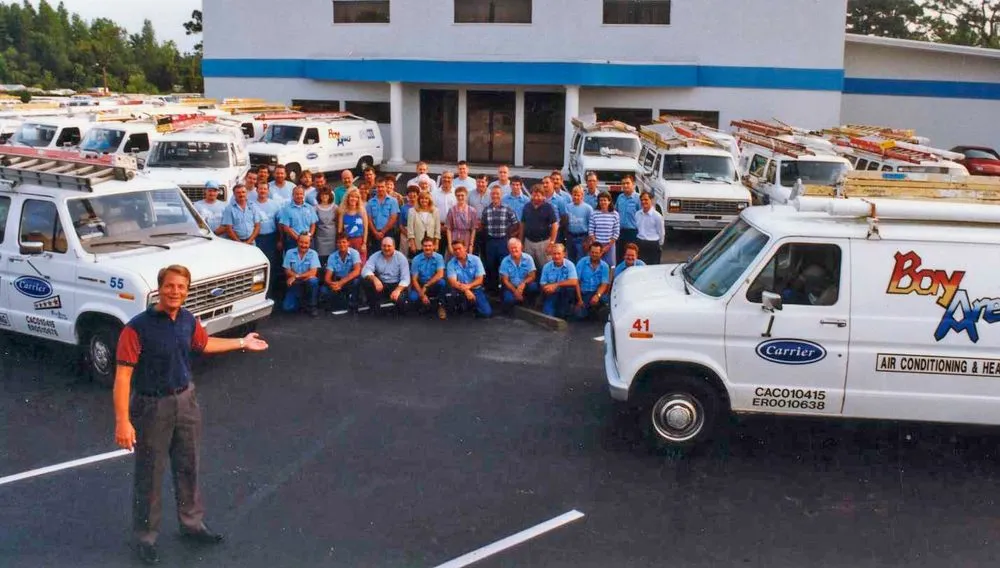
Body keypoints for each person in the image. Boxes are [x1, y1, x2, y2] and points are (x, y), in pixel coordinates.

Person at [114, 265, 268, 566]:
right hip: (151, 407)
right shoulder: (136, 328)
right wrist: (123, 421)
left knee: (189, 465)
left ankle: (192, 525)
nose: (176, 292)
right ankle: (145, 538)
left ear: (187, 290)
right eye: (170, 286)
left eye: (181, 287)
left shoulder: (187, 320)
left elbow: (204, 343)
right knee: (150, 474)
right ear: (159, 289)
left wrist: (242, 343)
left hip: (186, 401)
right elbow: (122, 377)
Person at [479, 186, 519, 294]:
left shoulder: (507, 208)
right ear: (490, 195)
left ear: (501, 195)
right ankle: (492, 288)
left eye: (497, 194)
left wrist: (510, 236)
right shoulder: (486, 210)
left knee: (504, 264)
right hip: (491, 241)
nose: (495, 196)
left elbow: (516, 224)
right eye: (493, 194)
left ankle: (506, 288)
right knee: (490, 264)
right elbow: (483, 225)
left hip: (503, 241)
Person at [250, 181, 284, 298]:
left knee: (272, 264)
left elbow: (279, 223)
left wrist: (280, 239)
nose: (263, 191)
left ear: (268, 190)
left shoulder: (275, 205)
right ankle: (257, 293)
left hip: (271, 237)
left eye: (265, 189)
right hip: (257, 238)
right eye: (260, 189)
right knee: (257, 266)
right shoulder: (251, 204)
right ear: (256, 190)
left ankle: (270, 293)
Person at [361, 236, 410, 315]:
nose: (386, 248)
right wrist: (374, 279)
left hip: (396, 285)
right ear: (381, 246)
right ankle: (374, 307)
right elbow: (365, 270)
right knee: (365, 280)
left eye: (389, 246)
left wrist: (397, 290)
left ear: (394, 246)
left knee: (401, 302)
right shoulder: (375, 256)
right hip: (382, 284)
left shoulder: (401, 258)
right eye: (384, 246)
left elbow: (406, 279)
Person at [446, 240, 492, 318]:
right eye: (455, 250)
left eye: (459, 248)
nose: (457, 251)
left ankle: (472, 306)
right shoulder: (451, 263)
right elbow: (452, 282)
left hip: (475, 289)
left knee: (487, 313)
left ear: (465, 248)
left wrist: (469, 287)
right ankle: (466, 304)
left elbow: (480, 279)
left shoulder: (476, 259)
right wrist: (466, 290)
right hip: (459, 290)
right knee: (453, 309)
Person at [520, 184, 559, 270]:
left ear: (543, 196)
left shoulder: (548, 207)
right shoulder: (527, 207)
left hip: (543, 243)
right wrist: (521, 241)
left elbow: (555, 225)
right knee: (528, 269)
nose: (536, 197)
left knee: (546, 268)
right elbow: (522, 224)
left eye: (538, 195)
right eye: (534, 195)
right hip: (528, 242)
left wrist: (551, 243)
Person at [282, 232, 322, 317]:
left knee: (313, 280)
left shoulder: (313, 253)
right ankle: (302, 302)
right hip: (295, 284)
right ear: (297, 241)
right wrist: (295, 277)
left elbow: (313, 272)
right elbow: (287, 270)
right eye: (301, 242)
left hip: (307, 281)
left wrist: (296, 276)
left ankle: (312, 306)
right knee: (287, 308)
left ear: (310, 243)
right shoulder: (289, 252)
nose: (303, 245)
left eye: (306, 243)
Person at [409, 236, 448, 320]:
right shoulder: (416, 259)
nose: (427, 248)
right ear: (422, 247)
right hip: (420, 284)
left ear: (433, 246)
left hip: (432, 283)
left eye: (430, 245)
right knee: (413, 298)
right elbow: (414, 279)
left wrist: (426, 286)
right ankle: (426, 304)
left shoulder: (439, 257)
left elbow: (440, 274)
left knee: (442, 282)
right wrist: (422, 295)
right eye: (425, 246)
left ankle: (441, 306)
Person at [539, 244, 581, 319]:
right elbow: (542, 283)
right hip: (551, 294)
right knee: (548, 315)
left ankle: (568, 309)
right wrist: (547, 289)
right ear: (551, 254)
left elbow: (574, 281)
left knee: (562, 315)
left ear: (564, 254)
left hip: (565, 293)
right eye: (554, 254)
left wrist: (556, 285)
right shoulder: (546, 266)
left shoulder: (570, 265)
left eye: (559, 253)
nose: (556, 256)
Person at [323, 233, 362, 312]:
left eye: (344, 242)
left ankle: (354, 303)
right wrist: (333, 284)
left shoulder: (354, 253)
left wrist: (341, 282)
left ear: (348, 243)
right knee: (323, 290)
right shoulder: (332, 256)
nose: (341, 244)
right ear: (336, 244)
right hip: (337, 281)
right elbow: (327, 278)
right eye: (339, 242)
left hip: (350, 280)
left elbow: (357, 271)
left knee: (357, 281)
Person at [499, 238, 539, 313]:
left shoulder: (528, 258)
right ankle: (517, 303)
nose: (513, 250)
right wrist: (515, 292)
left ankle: (529, 303)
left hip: (524, 286)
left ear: (521, 248)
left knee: (533, 287)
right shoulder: (505, 261)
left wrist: (523, 284)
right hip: (511, 287)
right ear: (508, 249)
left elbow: (532, 276)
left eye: (515, 248)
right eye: (511, 248)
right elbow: (505, 281)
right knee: (509, 300)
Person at [575, 242, 611, 320]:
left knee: (606, 303)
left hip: (597, 292)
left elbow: (604, 284)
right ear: (589, 252)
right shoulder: (582, 262)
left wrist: (597, 295)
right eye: (592, 252)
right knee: (580, 316)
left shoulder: (605, 266)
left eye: (597, 253)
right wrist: (579, 299)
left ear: (601, 253)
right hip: (584, 292)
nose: (594, 254)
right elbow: (576, 282)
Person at [277, 186, 318, 251]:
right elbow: (286, 227)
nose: (299, 196)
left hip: (308, 240)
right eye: (297, 194)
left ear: (304, 195)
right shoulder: (286, 209)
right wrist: (298, 239)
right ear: (293, 195)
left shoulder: (309, 208)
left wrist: (309, 236)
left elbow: (313, 224)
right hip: (292, 241)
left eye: (301, 194)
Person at [366, 177, 401, 251]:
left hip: (389, 232)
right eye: (378, 187)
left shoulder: (393, 201)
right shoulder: (370, 202)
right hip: (374, 234)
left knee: (389, 253)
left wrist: (382, 232)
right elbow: (369, 219)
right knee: (376, 254)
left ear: (386, 187)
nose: (380, 189)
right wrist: (375, 232)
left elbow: (393, 218)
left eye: (382, 186)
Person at [589, 191, 620, 267]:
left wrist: (608, 246)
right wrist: (597, 246)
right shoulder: (594, 213)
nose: (603, 202)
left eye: (605, 200)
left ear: (609, 201)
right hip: (597, 245)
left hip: (610, 246)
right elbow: (591, 231)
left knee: (611, 266)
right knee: (596, 265)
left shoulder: (615, 214)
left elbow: (616, 233)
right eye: (601, 200)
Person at [338, 188, 369, 263]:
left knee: (361, 263)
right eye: (351, 196)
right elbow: (340, 230)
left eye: (356, 197)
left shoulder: (362, 211)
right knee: (348, 263)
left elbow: (366, 228)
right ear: (347, 198)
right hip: (347, 241)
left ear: (358, 199)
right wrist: (341, 243)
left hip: (359, 241)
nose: (353, 199)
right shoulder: (343, 211)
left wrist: (364, 243)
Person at [446, 186, 478, 258]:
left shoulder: (472, 210)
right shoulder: (452, 210)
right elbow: (448, 228)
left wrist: (471, 245)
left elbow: (473, 229)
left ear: (466, 196)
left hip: (467, 238)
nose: (460, 197)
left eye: (462, 195)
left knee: (466, 258)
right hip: (454, 237)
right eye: (458, 195)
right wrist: (450, 244)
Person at [564, 185, 593, 263]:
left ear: (582, 196)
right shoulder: (567, 207)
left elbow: (591, 225)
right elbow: (565, 223)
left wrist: (588, 241)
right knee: (570, 259)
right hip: (570, 237)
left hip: (582, 238)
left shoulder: (588, 208)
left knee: (581, 260)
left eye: (578, 195)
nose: (576, 197)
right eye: (574, 195)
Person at [615, 175, 641, 260]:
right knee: (620, 257)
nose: (625, 185)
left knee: (631, 258)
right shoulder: (620, 197)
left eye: (627, 183)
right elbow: (616, 212)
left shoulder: (638, 198)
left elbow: (642, 216)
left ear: (633, 184)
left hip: (633, 233)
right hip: (620, 232)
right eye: (623, 183)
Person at [406, 190, 441, 256]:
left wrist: (436, 244)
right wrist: (412, 244)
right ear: (418, 200)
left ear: (429, 200)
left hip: (431, 243)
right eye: (422, 198)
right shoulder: (412, 211)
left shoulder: (435, 211)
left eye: (426, 198)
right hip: (417, 244)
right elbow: (410, 230)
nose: (424, 200)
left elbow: (437, 229)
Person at [634, 191, 665, 265]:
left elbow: (661, 233)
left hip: (652, 245)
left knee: (652, 268)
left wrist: (659, 244)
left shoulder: (657, 216)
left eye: (646, 199)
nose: (643, 202)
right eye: (641, 200)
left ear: (651, 200)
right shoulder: (637, 214)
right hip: (640, 243)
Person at [313, 186, 339, 267]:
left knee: (332, 260)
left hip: (332, 237)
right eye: (322, 194)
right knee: (321, 260)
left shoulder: (335, 207)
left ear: (330, 196)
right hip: (320, 238)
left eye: (326, 194)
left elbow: (338, 222)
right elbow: (314, 223)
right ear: (319, 196)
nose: (324, 196)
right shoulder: (315, 208)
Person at [399, 185, 420, 256]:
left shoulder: (422, 207)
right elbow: (400, 224)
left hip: (418, 233)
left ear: (418, 194)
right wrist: (409, 235)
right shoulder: (403, 208)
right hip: (405, 233)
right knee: (404, 255)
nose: (412, 194)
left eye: (414, 192)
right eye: (410, 192)